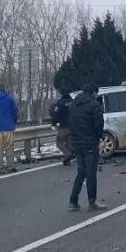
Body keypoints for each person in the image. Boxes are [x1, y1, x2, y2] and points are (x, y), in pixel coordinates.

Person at [68, 83, 107, 211]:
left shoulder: (73, 104)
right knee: (91, 173)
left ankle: (73, 200)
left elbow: (70, 123)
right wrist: (98, 138)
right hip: (90, 143)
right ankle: (92, 202)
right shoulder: (94, 105)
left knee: (81, 172)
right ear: (94, 93)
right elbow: (98, 124)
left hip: (77, 142)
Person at [0, 84, 19, 174]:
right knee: (9, 147)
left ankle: (0, 168)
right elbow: (15, 111)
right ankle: (10, 166)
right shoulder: (9, 99)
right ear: (4, 89)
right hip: (8, 127)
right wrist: (13, 122)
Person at [50, 87, 74, 165]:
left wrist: (53, 124)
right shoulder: (73, 102)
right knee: (69, 143)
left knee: (59, 142)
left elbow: (56, 114)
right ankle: (69, 160)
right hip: (73, 126)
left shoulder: (60, 103)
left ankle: (68, 155)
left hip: (64, 126)